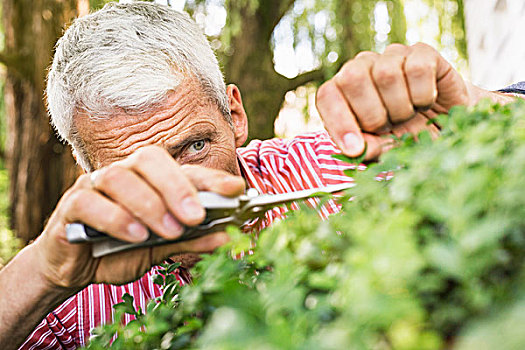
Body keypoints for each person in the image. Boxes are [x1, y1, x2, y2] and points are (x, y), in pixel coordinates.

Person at [0, 2, 520, 349]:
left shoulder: (341, 170)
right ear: (88, 172)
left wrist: (486, 116)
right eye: (136, 171)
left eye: (195, 146)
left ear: (235, 115)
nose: (181, 192)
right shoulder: (70, 297)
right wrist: (42, 272)